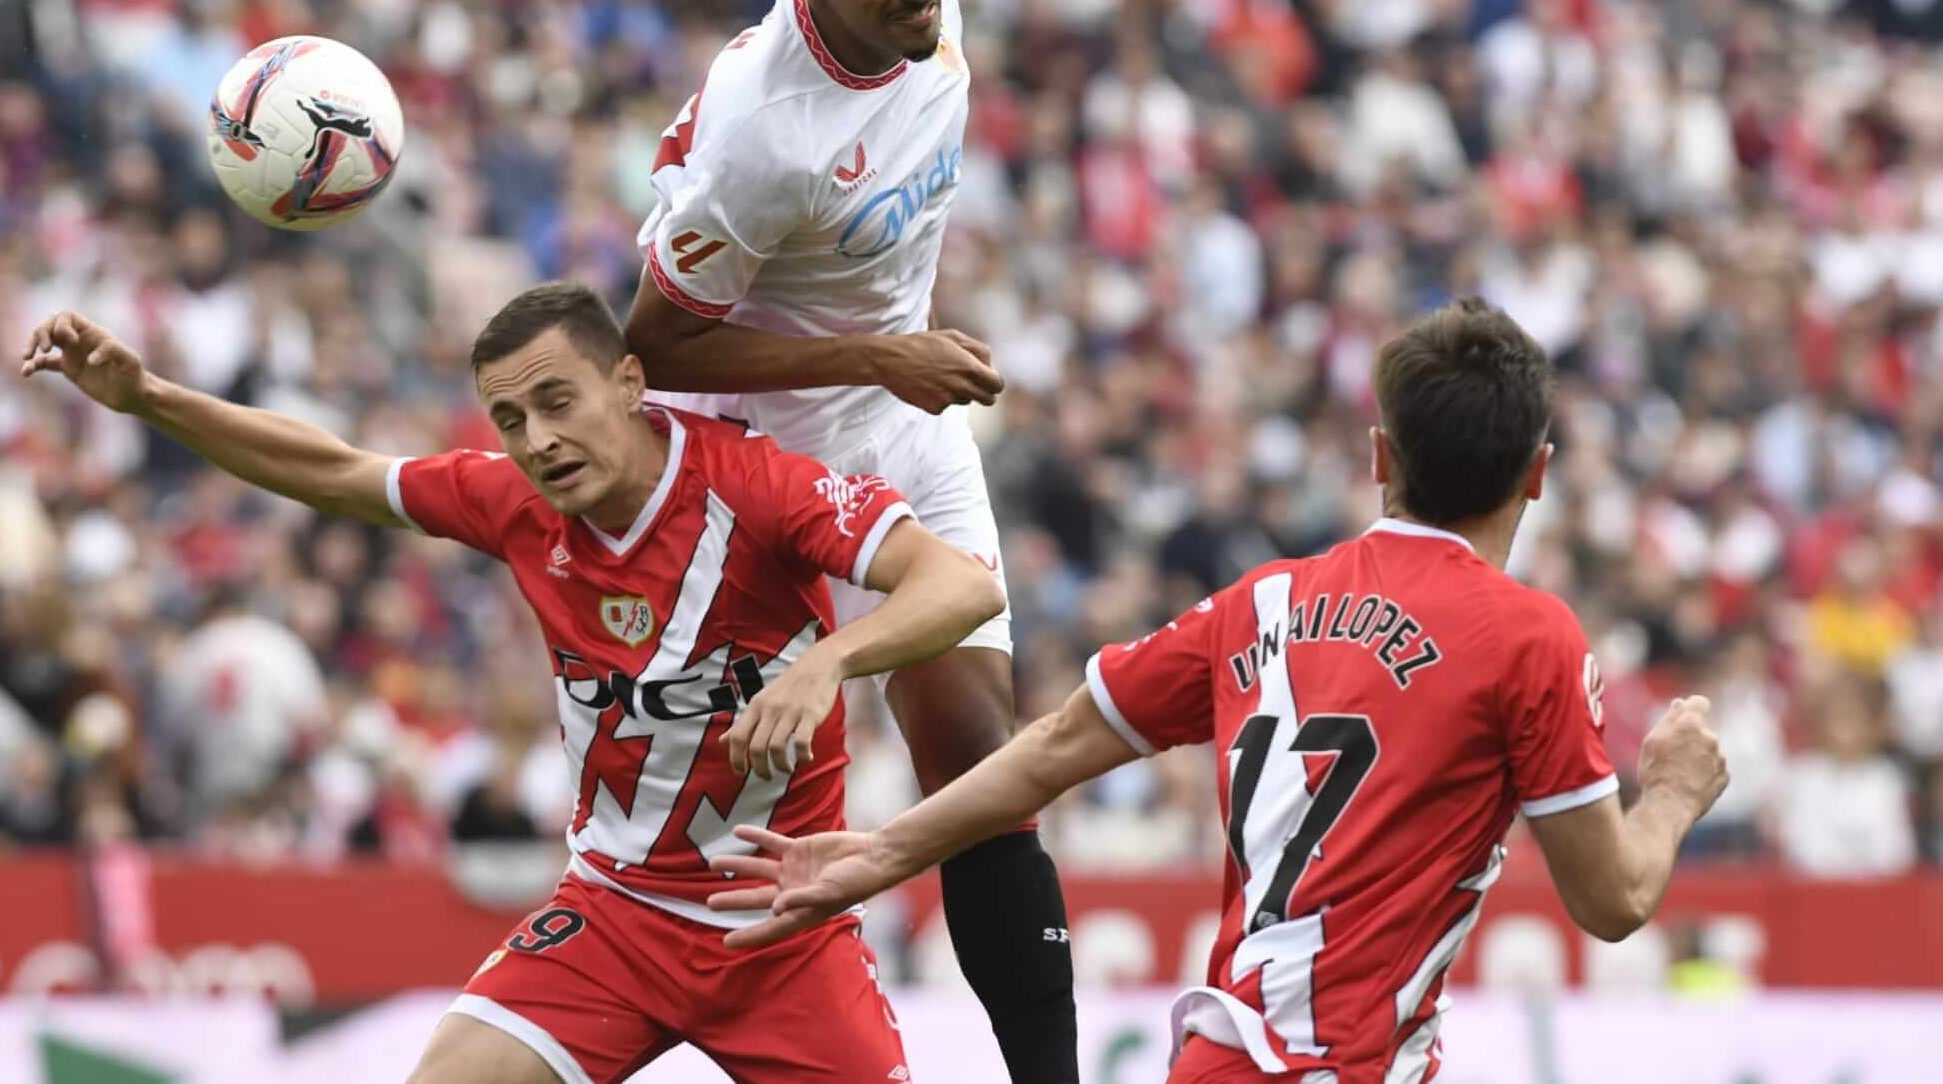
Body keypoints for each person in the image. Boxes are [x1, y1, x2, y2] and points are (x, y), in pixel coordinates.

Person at [705, 299, 1732, 1084]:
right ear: (1538, 472)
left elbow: (1053, 747)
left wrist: (883, 850)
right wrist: (1676, 791)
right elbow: (1611, 900)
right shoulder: (1527, 637)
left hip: (1215, 1061)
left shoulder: (1261, 603)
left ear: (1379, 456)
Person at [20, 282, 1008, 1084]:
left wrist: (830, 660)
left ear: (629, 382)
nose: (535, 440)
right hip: (617, 916)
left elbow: (962, 585)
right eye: (508, 419)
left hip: (783, 926)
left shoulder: (760, 487)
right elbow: (334, 471)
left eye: (556, 402)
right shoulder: (515, 504)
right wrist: (148, 397)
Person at [624, 0, 1078, 1080]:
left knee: (979, 762)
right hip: (769, 457)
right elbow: (650, 346)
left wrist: (890, 361)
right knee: (728, 813)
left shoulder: (925, 14)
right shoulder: (761, 135)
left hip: (902, 416)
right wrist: (879, 355)